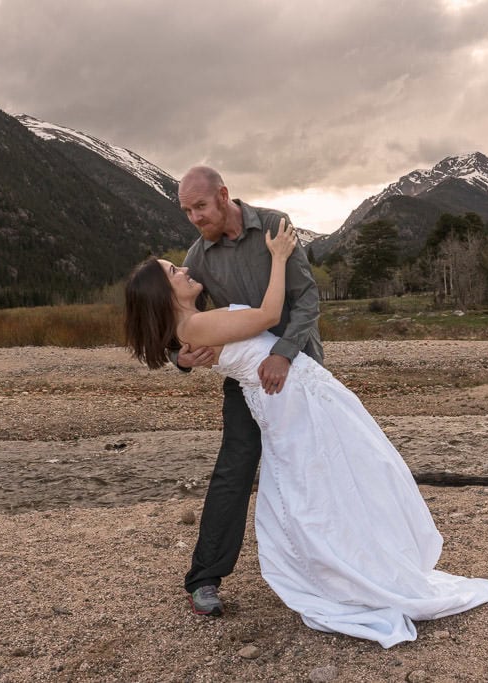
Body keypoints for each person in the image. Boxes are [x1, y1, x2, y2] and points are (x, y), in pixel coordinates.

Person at [124, 221, 488, 648]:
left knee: (334, 473)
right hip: (284, 395)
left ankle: (351, 560)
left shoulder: (259, 228)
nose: (185, 269)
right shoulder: (198, 279)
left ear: (222, 197)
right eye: (174, 272)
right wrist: (279, 259)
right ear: (163, 293)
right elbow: (260, 318)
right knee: (310, 476)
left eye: (199, 207)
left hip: (292, 383)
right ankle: (271, 572)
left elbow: (297, 305)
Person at [167, 166, 323, 618]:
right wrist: (179, 359)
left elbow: (308, 299)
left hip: (301, 369)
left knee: (311, 467)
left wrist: (284, 354)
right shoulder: (197, 257)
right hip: (246, 382)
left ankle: (324, 568)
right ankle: (204, 579)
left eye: (200, 206)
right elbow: (179, 322)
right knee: (234, 470)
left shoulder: (274, 225)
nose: (194, 218)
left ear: (223, 195)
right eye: (186, 211)